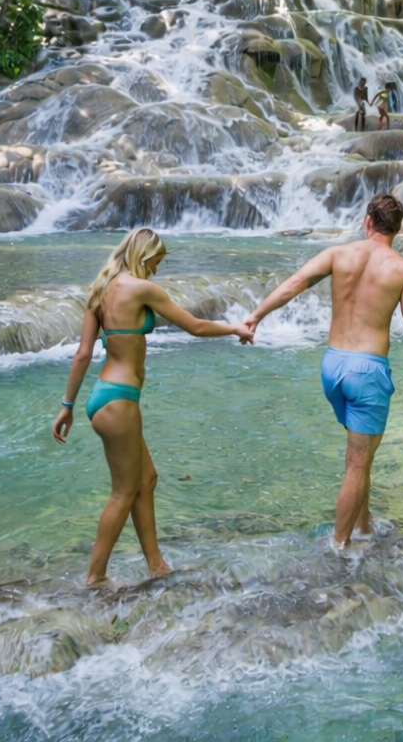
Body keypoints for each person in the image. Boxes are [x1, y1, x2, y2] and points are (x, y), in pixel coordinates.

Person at [52, 227, 253, 588]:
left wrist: (67, 406)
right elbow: (195, 326)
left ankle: (156, 565)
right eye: (157, 263)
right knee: (123, 491)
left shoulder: (100, 290)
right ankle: (95, 577)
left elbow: (83, 353)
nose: (157, 270)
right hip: (120, 400)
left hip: (103, 395)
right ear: (144, 256)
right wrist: (235, 328)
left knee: (146, 479)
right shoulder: (141, 288)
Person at [245, 194, 403, 550]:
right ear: (398, 228)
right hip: (367, 370)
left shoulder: (339, 254)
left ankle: (363, 526)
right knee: (358, 464)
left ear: (367, 222)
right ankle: (340, 545)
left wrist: (256, 316)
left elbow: (293, 284)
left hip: (333, 366)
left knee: (361, 457)